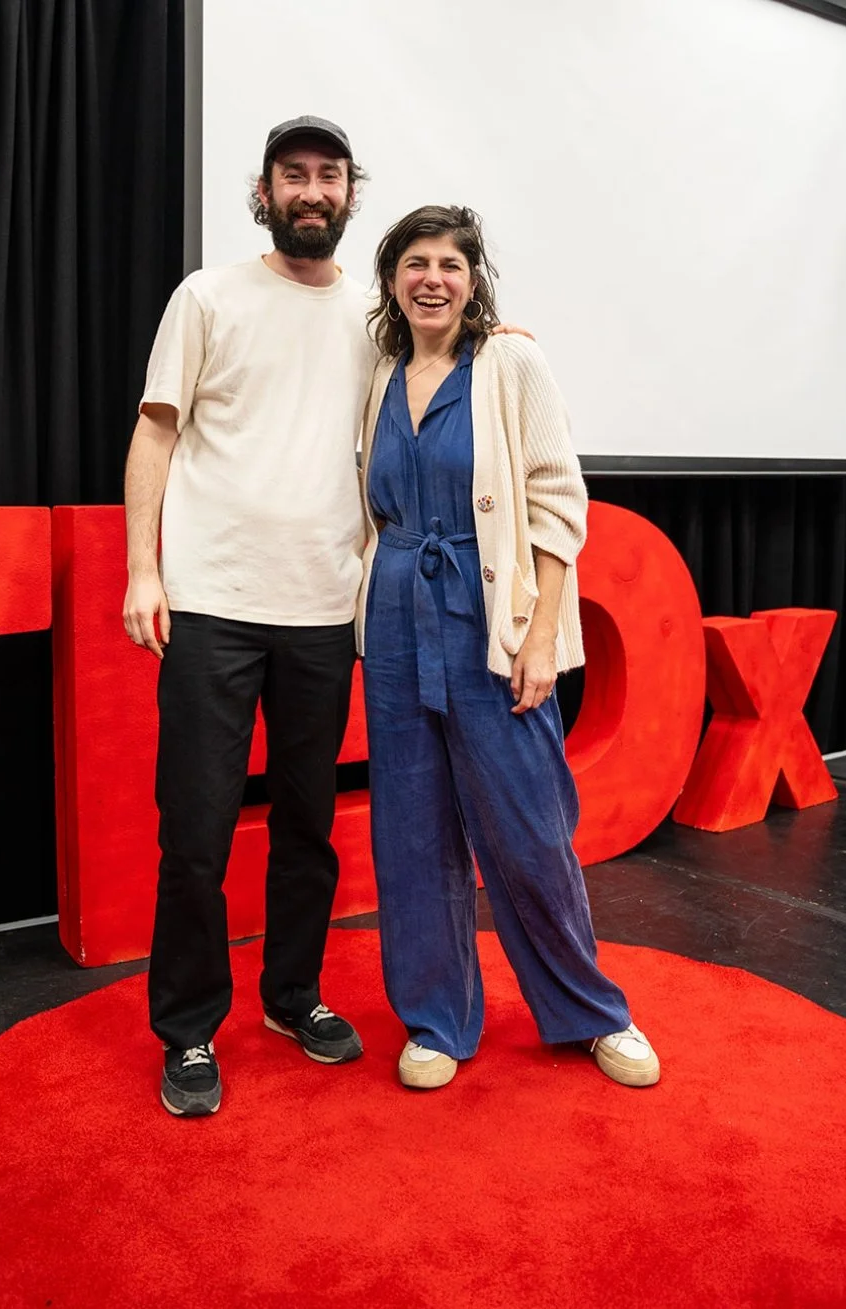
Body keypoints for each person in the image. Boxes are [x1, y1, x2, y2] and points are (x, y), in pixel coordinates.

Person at [355, 204, 660, 1091]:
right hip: (395, 619)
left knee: (528, 829)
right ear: (391, 280)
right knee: (410, 834)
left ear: (474, 280)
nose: (432, 279)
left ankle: (592, 1011)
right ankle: (436, 1020)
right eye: (414, 262)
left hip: (491, 621)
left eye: (450, 263)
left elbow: (559, 502)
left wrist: (536, 634)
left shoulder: (511, 363)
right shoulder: (378, 373)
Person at [122, 116, 374, 1117]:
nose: (311, 190)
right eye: (294, 174)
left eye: (329, 175)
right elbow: (156, 432)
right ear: (264, 190)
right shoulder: (208, 296)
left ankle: (292, 996)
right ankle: (187, 1029)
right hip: (212, 602)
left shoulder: (374, 313)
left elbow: (450, 368)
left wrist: (503, 337)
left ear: (350, 195)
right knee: (196, 832)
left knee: (309, 826)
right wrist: (143, 571)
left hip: (324, 607)